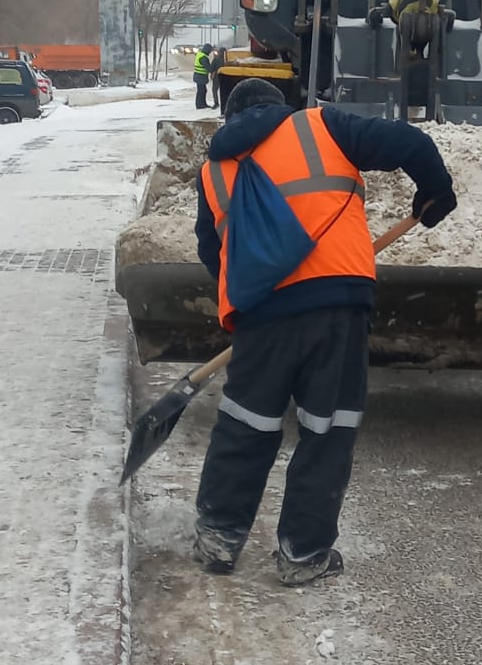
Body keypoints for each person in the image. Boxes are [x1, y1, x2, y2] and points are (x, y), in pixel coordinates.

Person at [191, 78, 456, 585]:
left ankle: (219, 537)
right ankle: (303, 553)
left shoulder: (213, 170)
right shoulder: (320, 126)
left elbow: (212, 253)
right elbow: (412, 143)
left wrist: (258, 288)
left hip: (261, 313)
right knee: (326, 429)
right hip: (337, 303)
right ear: (281, 108)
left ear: (229, 120)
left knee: (246, 424)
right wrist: (435, 191)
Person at [193, 44, 211, 109]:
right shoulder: (203, 58)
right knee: (201, 91)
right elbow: (208, 68)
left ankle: (202, 104)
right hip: (200, 76)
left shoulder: (199, 54)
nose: (210, 52)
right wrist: (213, 68)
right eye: (210, 51)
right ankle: (200, 105)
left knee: (202, 90)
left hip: (198, 76)